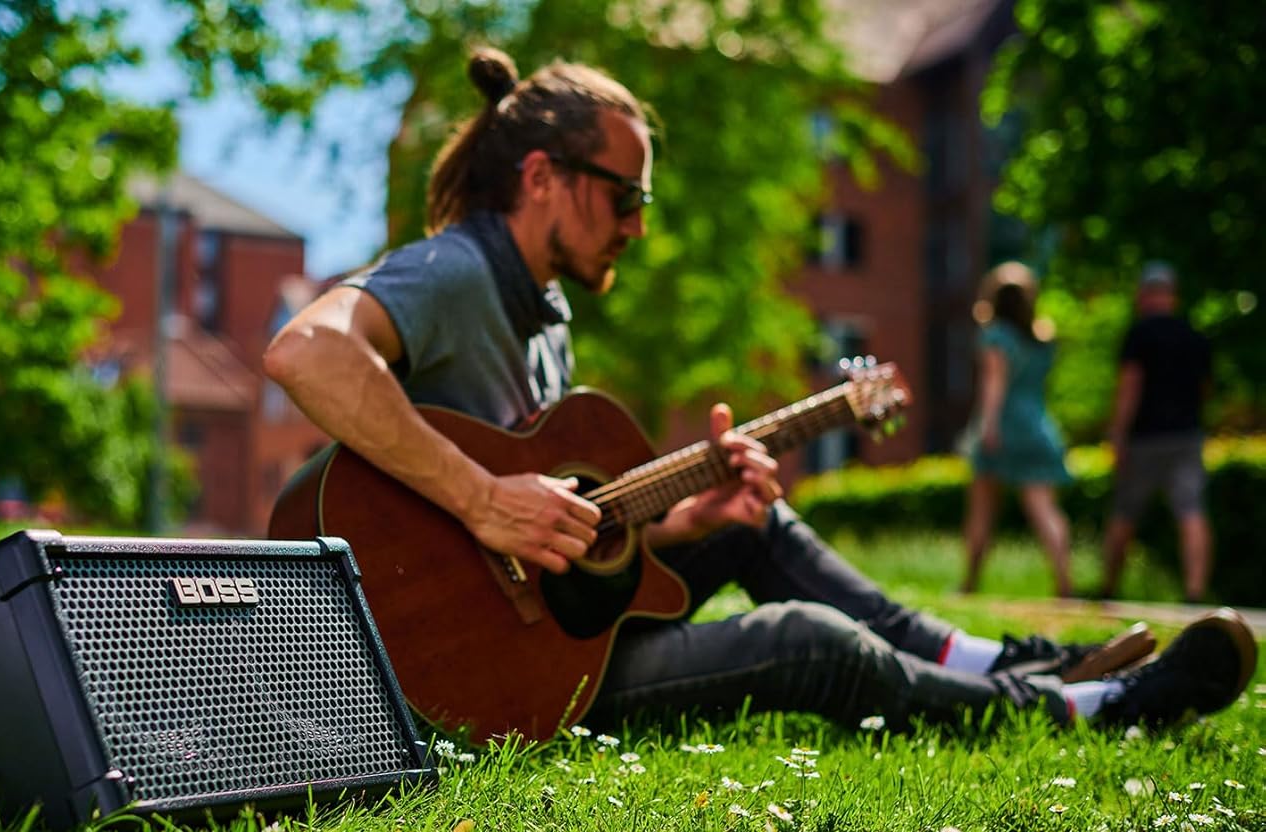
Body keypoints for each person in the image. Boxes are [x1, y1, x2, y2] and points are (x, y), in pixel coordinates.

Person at [263, 48, 1253, 735]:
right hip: (479, 675)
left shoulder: (543, 312)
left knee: (752, 521)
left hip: (543, 630)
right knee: (804, 640)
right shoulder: (453, 272)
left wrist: (683, 517)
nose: (637, 226)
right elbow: (306, 352)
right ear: (542, 177)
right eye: (625, 197)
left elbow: (563, 542)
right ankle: (1086, 708)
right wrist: (484, 499)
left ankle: (997, 660)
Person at [1100, 262, 1213, 603]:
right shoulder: (1195, 336)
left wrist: (1117, 434)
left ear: (1144, 294)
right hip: (1187, 435)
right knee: (1191, 511)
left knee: (1124, 513)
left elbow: (1129, 387)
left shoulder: (1140, 334)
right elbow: (1206, 389)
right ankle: (1195, 590)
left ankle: (1109, 588)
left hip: (1146, 439)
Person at [960, 262, 1073, 597]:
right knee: (1045, 509)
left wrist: (989, 427)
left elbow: (994, 385)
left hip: (1004, 426)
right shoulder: (1042, 339)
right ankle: (1065, 583)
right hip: (1038, 425)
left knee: (982, 509)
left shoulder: (995, 336)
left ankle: (970, 583)